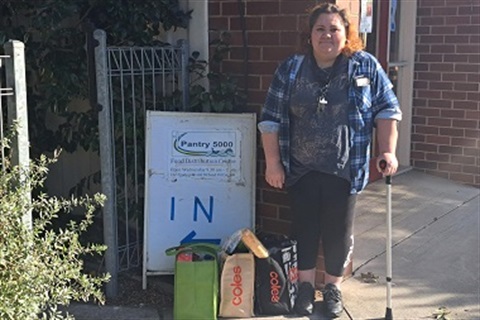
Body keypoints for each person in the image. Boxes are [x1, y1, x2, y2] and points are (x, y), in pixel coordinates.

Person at [258, 3, 402, 318]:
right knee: (304, 230)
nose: (327, 35)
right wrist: (273, 163)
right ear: (309, 36)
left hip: (345, 170)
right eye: (320, 29)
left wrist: (387, 151)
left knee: (338, 233)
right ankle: (306, 290)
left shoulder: (364, 66)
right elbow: (269, 120)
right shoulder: (291, 69)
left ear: (346, 34)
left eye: (334, 29)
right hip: (300, 169)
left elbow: (387, 109)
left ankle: (333, 288)